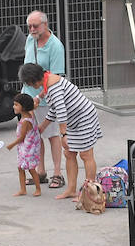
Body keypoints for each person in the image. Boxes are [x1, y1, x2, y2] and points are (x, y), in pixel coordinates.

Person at [19, 62, 102, 201]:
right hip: (74, 119)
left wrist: (64, 135)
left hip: (84, 117)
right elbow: (55, 108)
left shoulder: (54, 86)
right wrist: (42, 126)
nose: (31, 86)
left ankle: (90, 193)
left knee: (86, 154)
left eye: (29, 83)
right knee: (69, 154)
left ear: (34, 80)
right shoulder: (47, 80)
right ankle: (71, 190)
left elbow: (61, 112)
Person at [23, 11, 67, 187]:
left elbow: (55, 78)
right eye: (29, 26)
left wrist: (40, 96)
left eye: (35, 26)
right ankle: (40, 172)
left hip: (46, 99)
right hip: (29, 96)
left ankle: (58, 173)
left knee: (52, 135)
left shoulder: (55, 46)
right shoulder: (30, 39)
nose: (32, 29)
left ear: (45, 25)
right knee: (34, 135)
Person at [11, 93, 42, 196]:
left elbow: (21, 137)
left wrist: (11, 145)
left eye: (16, 104)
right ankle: (22, 189)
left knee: (31, 168)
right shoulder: (27, 115)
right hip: (24, 147)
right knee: (20, 167)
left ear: (23, 107)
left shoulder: (25, 121)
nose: (13, 106)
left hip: (28, 148)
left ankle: (38, 189)